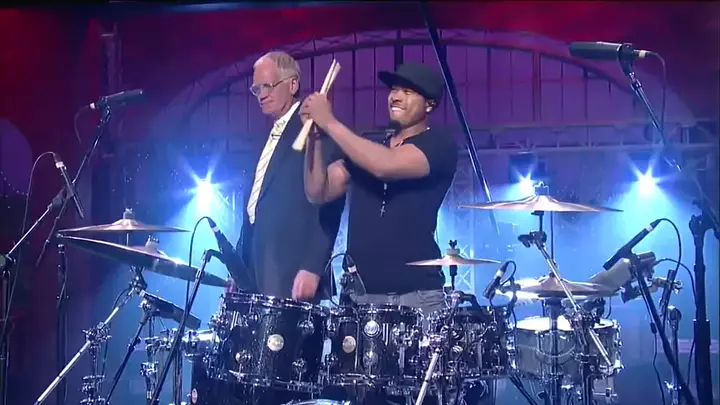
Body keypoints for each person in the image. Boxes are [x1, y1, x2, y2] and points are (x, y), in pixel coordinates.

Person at [301, 62, 458, 316]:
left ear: (429, 104)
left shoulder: (440, 144)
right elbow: (318, 191)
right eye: (394, 89)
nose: (395, 96)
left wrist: (329, 121)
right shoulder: (369, 149)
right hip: (358, 297)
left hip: (416, 298)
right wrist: (315, 137)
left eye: (407, 91)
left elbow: (386, 166)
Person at [234, 51, 344, 302]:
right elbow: (254, 208)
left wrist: (314, 265)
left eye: (268, 86)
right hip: (256, 271)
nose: (262, 95)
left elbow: (331, 201)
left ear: (293, 84)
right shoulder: (264, 139)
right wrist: (240, 269)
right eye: (256, 89)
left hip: (294, 273)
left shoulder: (312, 127)